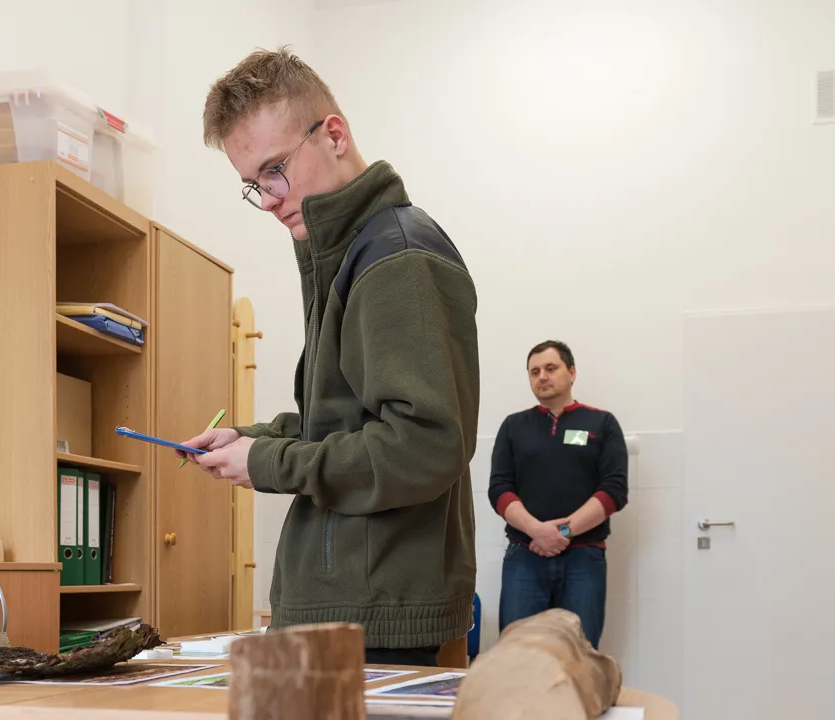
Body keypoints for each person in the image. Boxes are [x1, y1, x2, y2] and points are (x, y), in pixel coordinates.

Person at [178, 46, 480, 667]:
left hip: (379, 617)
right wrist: (254, 440)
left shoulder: (398, 259)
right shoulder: (347, 253)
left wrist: (271, 462)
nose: (268, 198)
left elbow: (424, 446)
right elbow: (345, 425)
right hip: (349, 607)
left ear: (334, 135)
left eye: (275, 170)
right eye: (253, 184)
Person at [488, 340, 629, 649]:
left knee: (580, 655)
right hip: (525, 556)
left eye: (551, 368)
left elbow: (613, 491)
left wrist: (561, 532)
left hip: (584, 559)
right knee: (517, 654)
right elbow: (499, 490)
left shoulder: (601, 423)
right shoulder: (513, 426)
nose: (542, 376)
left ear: (572, 372)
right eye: (534, 371)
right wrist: (537, 531)